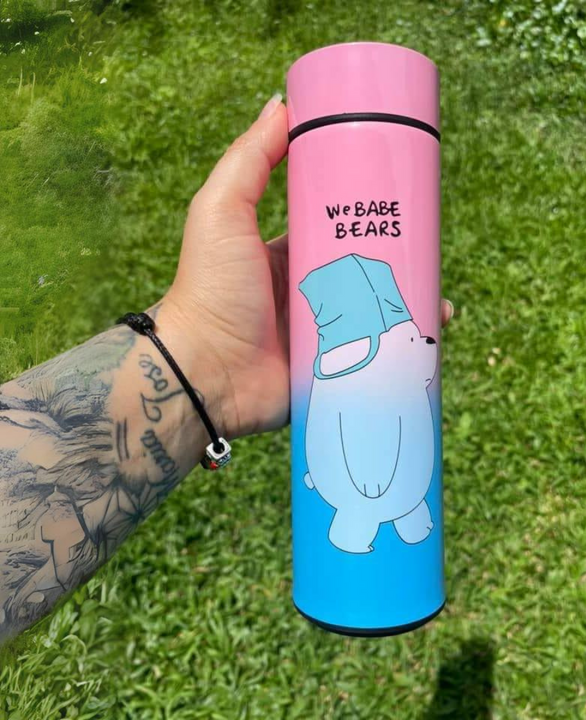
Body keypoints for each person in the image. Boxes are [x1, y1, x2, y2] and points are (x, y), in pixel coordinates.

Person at [0, 95, 453, 644]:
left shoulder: (386, 355)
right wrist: (202, 344)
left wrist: (198, 354)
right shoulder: (352, 370)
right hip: (348, 466)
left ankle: (396, 520)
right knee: (362, 490)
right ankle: (362, 527)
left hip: (380, 443)